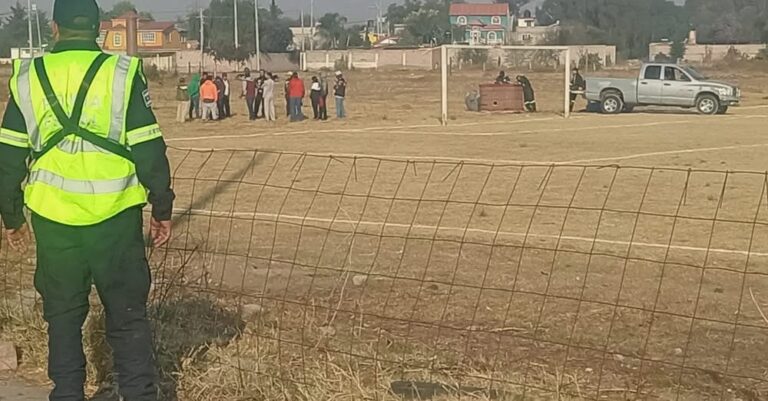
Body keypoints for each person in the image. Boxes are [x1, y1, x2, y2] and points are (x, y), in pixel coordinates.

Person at [0, 1, 174, 400]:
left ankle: (66, 393)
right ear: (98, 29)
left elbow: (8, 156)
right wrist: (161, 207)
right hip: (115, 217)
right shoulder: (122, 72)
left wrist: (11, 216)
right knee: (128, 319)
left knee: (62, 318)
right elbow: (149, 149)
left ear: (54, 29)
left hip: (52, 218)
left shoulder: (28, 76)